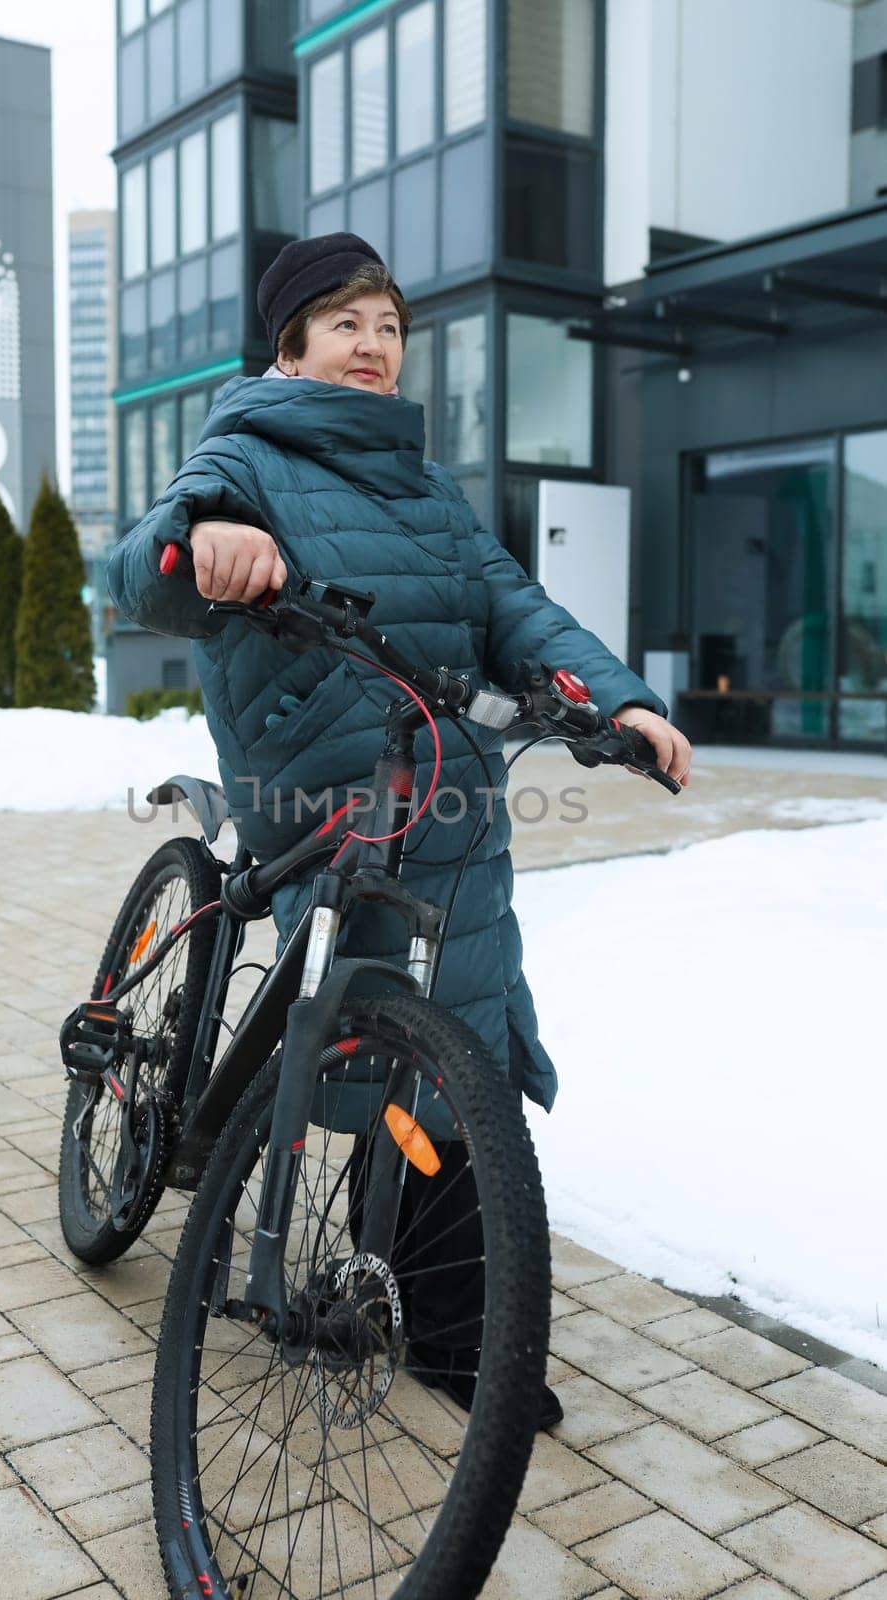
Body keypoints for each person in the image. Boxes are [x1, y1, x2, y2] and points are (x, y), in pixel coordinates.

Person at [107, 231, 692, 1430]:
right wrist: (207, 549)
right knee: (373, 1022)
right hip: (320, 775)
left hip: (444, 786)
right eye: (345, 324)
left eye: (388, 327)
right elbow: (144, 568)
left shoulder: (426, 487)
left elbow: (507, 603)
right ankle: (285, 1230)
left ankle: (456, 1330)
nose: (373, 347)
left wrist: (614, 698)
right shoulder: (243, 449)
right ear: (292, 343)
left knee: (459, 1030)